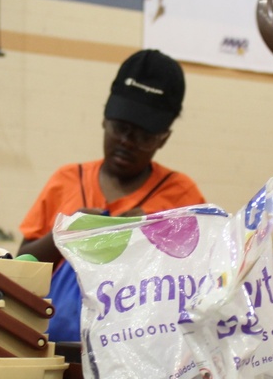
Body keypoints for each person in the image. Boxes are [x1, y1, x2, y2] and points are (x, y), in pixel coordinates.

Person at [18, 49, 205, 341]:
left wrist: (148, 239)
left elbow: (197, 285)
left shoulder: (181, 196)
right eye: (121, 128)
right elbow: (21, 265)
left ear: (164, 138)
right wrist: (64, 235)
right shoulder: (66, 180)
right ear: (105, 117)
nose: (127, 142)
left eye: (143, 136)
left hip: (140, 359)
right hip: (57, 352)